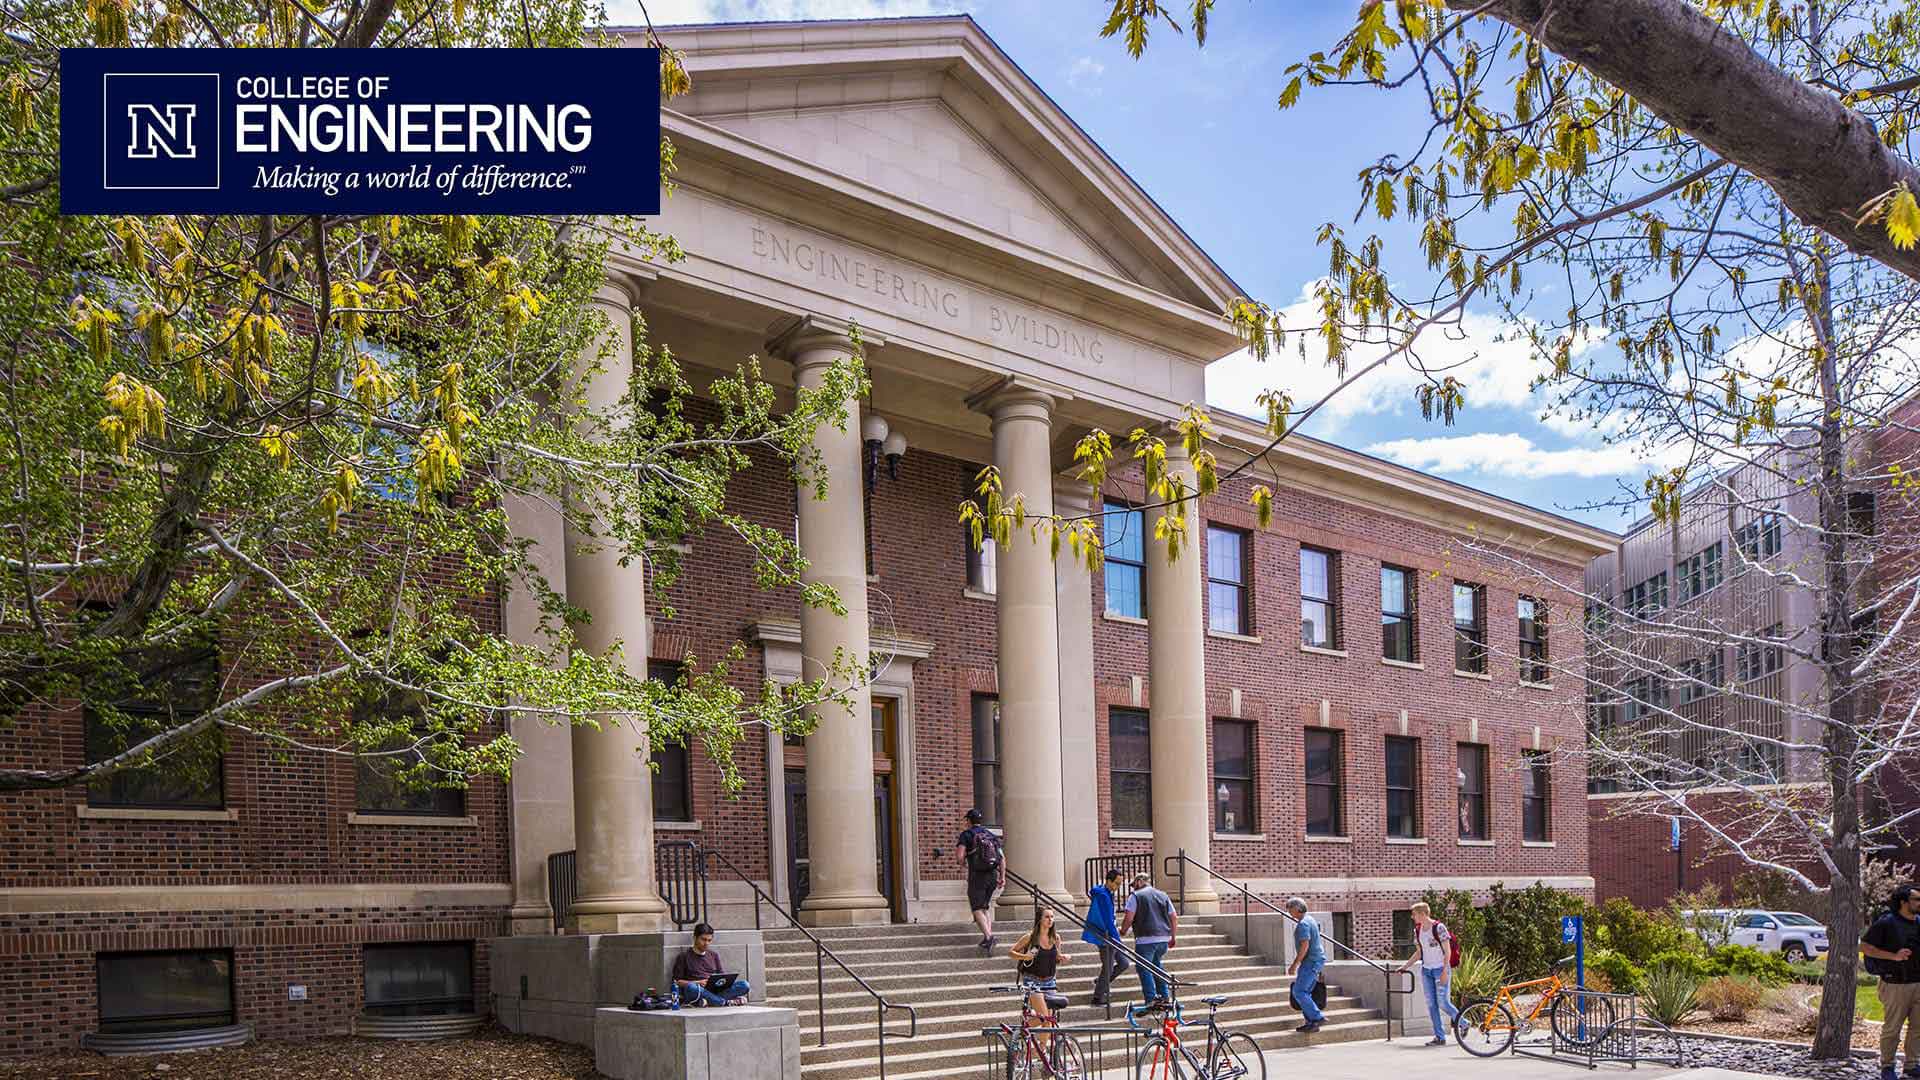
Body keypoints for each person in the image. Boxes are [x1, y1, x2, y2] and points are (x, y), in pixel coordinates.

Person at [1864, 884, 1920, 1080]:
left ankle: (1912, 1065)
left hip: (1918, 983)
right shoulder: (1887, 922)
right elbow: (1865, 947)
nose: (1919, 903)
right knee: (1892, 1028)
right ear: (1904, 902)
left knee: (1918, 1028)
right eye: (1916, 899)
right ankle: (1887, 1066)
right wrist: (1893, 956)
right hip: (1895, 984)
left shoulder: (1919, 922)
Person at [1399, 901, 1459, 1046]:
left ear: (1423, 914)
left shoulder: (1439, 928)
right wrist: (1405, 967)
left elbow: (1447, 951)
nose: (1412, 917)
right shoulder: (1417, 931)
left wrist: (1445, 971)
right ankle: (1440, 1037)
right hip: (1426, 971)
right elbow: (1419, 953)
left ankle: (1462, 1022)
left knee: (1443, 1002)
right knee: (1432, 1005)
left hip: (1440, 969)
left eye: (1414, 914)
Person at [1119, 872, 1177, 1008]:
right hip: (1163, 938)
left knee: (1144, 968)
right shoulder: (1163, 895)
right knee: (1157, 965)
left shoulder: (1136, 896)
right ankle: (1164, 996)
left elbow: (1129, 917)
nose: (1133, 888)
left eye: (1134, 885)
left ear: (1139, 881)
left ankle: (1151, 999)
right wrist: (1173, 936)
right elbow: (1173, 917)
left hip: (1145, 939)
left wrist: (1123, 931)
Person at [1009, 907, 1071, 1024]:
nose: (1050, 920)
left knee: (1049, 1020)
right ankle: (1021, 1031)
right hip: (1032, 981)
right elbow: (1011, 952)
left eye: (1052, 917)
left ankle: (1040, 1042)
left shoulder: (1055, 938)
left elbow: (1056, 956)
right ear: (1040, 919)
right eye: (1047, 917)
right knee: (1044, 1016)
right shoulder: (1030, 937)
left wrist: (1062, 957)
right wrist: (1025, 957)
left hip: (1050, 981)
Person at [957, 808, 1006, 952]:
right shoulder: (990, 835)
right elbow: (1002, 858)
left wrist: (964, 864)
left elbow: (960, 856)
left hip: (977, 875)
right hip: (992, 875)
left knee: (977, 908)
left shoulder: (967, 835)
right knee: (985, 907)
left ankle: (989, 937)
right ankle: (987, 936)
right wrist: (1002, 877)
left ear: (968, 821)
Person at [1081, 868, 1131, 1006]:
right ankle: (1097, 997)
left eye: (1120, 884)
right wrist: (1118, 940)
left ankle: (1101, 982)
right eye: (1116, 883)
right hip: (1105, 935)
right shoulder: (1103, 895)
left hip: (1109, 933)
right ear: (1108, 881)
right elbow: (1107, 920)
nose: (1118, 887)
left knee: (1124, 963)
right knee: (1108, 967)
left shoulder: (1107, 892)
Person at [671, 922, 751, 1007]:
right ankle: (724, 1002)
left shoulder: (714, 955)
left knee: (744, 985)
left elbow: (722, 977)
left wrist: (721, 982)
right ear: (695, 938)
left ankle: (707, 1002)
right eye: (703, 939)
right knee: (691, 987)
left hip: (715, 990)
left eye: (709, 940)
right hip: (697, 990)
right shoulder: (683, 956)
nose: (706, 943)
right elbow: (676, 982)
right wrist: (697, 982)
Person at [1284, 898, 1325, 1033]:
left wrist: (1294, 964)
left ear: (1297, 909)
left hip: (1310, 962)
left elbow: (1305, 945)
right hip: (1316, 961)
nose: (1289, 912)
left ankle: (1317, 1017)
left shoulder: (1303, 924)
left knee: (1299, 991)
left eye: (1290, 909)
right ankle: (1311, 1023)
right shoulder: (1310, 919)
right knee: (1305, 992)